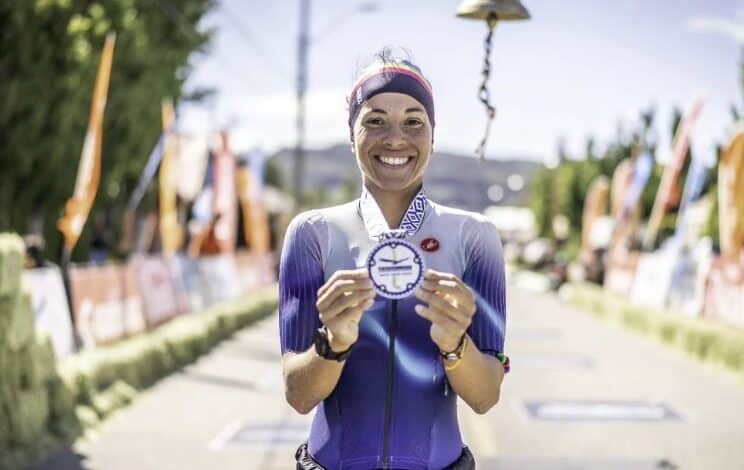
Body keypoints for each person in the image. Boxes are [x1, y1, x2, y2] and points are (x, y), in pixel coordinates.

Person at [279, 51, 509, 470]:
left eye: (414, 122)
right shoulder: (313, 234)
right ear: (352, 135)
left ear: (433, 137)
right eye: (375, 120)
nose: (395, 139)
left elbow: (485, 396)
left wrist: (455, 343)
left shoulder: (476, 237)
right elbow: (298, 395)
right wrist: (334, 342)